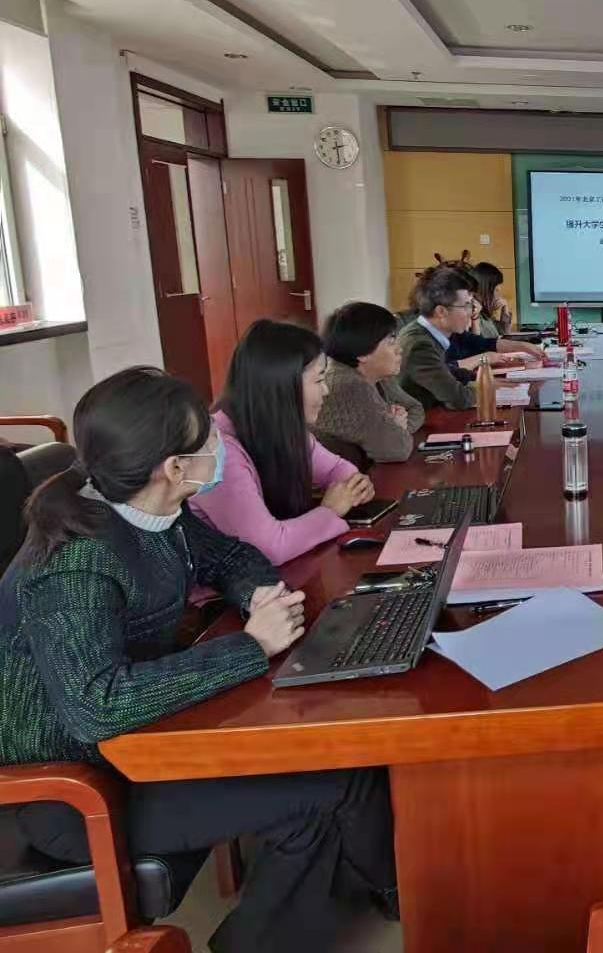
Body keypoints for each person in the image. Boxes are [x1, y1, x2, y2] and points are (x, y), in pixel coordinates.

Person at [0, 366, 395, 953]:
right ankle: (396, 895)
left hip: (143, 745)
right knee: (332, 785)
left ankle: (393, 889)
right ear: (174, 467)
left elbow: (230, 556)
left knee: (341, 761)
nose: (221, 444)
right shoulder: (75, 562)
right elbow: (95, 706)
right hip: (80, 792)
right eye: (209, 439)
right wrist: (252, 645)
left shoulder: (151, 509)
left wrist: (258, 595)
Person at [192, 320, 376, 564]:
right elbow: (269, 548)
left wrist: (354, 487)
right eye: (319, 380)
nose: (326, 391)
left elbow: (338, 469)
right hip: (228, 586)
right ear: (283, 385)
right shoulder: (218, 452)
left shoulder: (282, 428)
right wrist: (330, 510)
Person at [399, 267, 534, 408]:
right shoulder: (420, 345)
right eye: (466, 306)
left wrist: (480, 379)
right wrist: (487, 388)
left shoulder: (428, 333)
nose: (472, 312)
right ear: (441, 311)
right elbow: (458, 398)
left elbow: (446, 371)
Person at [315, 301, 424, 464]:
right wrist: (394, 427)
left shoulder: (376, 375)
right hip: (341, 478)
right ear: (362, 352)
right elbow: (397, 449)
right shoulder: (350, 385)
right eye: (391, 342)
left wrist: (395, 428)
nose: (399, 349)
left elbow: (416, 409)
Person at [469, 260, 514, 340]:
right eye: (496, 289)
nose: (499, 291)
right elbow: (475, 343)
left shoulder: (485, 315)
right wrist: (475, 319)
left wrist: (505, 310)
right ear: (484, 289)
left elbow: (505, 334)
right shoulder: (472, 312)